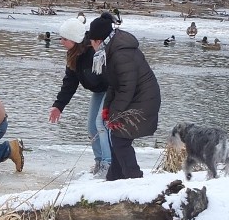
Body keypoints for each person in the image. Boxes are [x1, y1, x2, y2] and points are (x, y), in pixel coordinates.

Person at [87, 11, 161, 181]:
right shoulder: (111, 48)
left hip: (143, 100)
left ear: (98, 40)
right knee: (116, 138)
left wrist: (116, 114)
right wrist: (107, 108)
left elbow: (127, 87)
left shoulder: (121, 53)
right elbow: (114, 84)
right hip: (135, 98)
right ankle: (114, 179)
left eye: (91, 41)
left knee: (120, 140)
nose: (90, 45)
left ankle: (134, 178)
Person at [49, 17, 112, 179]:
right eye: (61, 38)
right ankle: (99, 161)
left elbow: (112, 74)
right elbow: (70, 82)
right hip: (98, 90)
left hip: (112, 89)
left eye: (65, 39)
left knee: (101, 124)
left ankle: (108, 164)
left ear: (75, 39)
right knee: (91, 127)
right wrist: (58, 105)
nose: (61, 42)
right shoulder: (73, 55)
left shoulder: (94, 50)